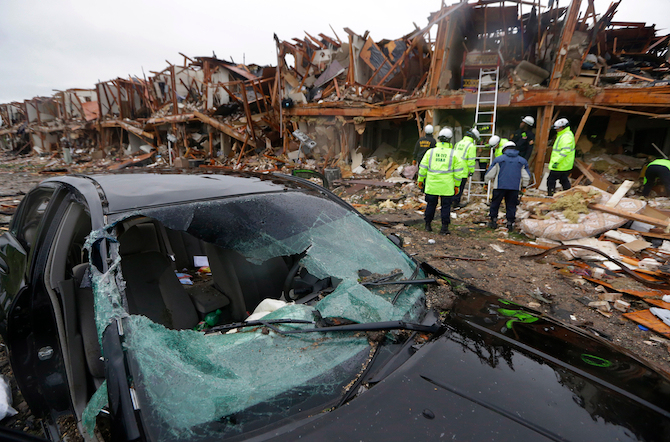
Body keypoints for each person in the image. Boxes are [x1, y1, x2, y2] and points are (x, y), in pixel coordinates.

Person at [417, 128, 465, 234]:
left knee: (431, 205)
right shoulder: (454, 154)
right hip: (446, 186)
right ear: (450, 139)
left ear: (438, 139)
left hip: (432, 184)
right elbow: (458, 173)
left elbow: (423, 168)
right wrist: (457, 185)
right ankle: (444, 228)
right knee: (446, 206)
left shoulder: (430, 152)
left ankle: (428, 225)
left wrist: (420, 180)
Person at [485, 141, 531, 231]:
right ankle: (510, 223)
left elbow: (490, 174)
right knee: (511, 205)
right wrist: (524, 186)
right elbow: (526, 176)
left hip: (499, 186)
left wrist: (486, 183)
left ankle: (493, 221)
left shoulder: (499, 159)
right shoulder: (522, 161)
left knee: (495, 204)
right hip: (514, 187)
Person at [546, 118, 575, 197]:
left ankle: (550, 195)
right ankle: (569, 195)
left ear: (563, 127)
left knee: (551, 180)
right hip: (564, 164)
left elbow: (565, 151)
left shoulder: (566, 136)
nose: (557, 130)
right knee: (563, 180)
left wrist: (557, 162)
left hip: (560, 165)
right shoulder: (565, 135)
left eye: (558, 128)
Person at [452, 128, 480, 207]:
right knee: (460, 187)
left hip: (454, 168)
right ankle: (456, 203)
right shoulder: (471, 146)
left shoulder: (458, 143)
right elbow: (471, 160)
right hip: (463, 170)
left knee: (454, 186)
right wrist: (471, 171)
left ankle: (450, 201)